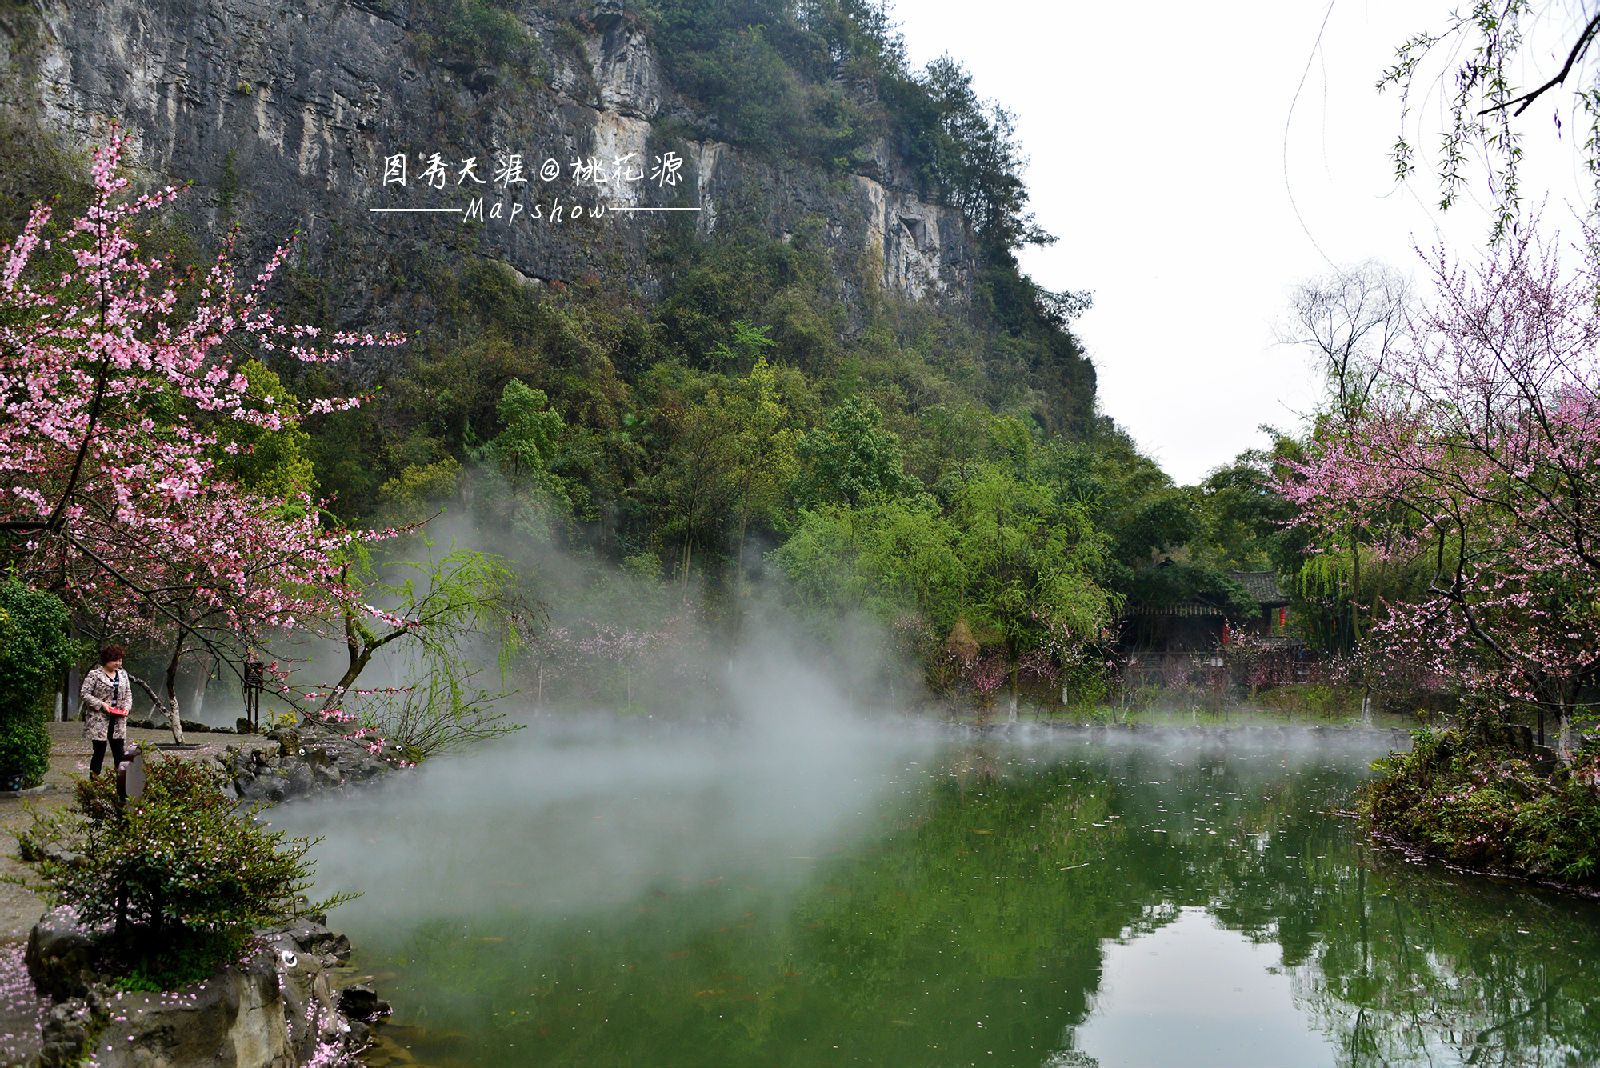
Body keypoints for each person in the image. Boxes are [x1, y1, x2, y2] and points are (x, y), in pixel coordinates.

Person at [79, 644, 131, 775]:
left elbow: (128, 694)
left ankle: (120, 785)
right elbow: (84, 693)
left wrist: (126, 708)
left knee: (119, 753)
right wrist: (101, 704)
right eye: (115, 660)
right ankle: (94, 784)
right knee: (99, 752)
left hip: (118, 720)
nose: (118, 663)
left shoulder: (123, 674)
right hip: (99, 720)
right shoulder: (95, 675)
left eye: (120, 660)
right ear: (106, 660)